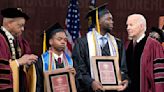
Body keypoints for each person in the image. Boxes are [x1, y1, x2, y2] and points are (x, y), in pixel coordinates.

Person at [72, 3, 129, 92]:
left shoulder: (117, 43)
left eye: (112, 19)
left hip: (113, 90)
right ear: (98, 21)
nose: (112, 22)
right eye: (108, 19)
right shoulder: (82, 43)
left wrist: (124, 79)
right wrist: (91, 82)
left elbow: (123, 67)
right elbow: (79, 69)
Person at [0, 8, 38, 92]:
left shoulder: (18, 41)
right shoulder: (1, 40)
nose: (23, 29)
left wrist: (27, 62)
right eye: (20, 25)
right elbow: (2, 69)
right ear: (9, 24)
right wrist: (18, 62)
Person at [126, 14, 164, 92]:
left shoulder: (154, 45)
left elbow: (159, 75)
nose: (128, 28)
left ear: (141, 26)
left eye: (131, 25)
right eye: (127, 25)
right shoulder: (128, 46)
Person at [35, 23, 76, 92]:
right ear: (50, 41)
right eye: (59, 39)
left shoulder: (70, 61)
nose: (63, 42)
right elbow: (38, 85)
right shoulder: (42, 61)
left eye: (65, 40)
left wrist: (74, 77)